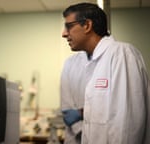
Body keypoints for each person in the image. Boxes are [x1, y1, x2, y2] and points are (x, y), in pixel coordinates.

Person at [61, 2, 150, 144]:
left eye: (69, 26)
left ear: (87, 25)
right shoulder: (95, 62)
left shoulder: (121, 54)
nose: (64, 34)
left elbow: (128, 126)